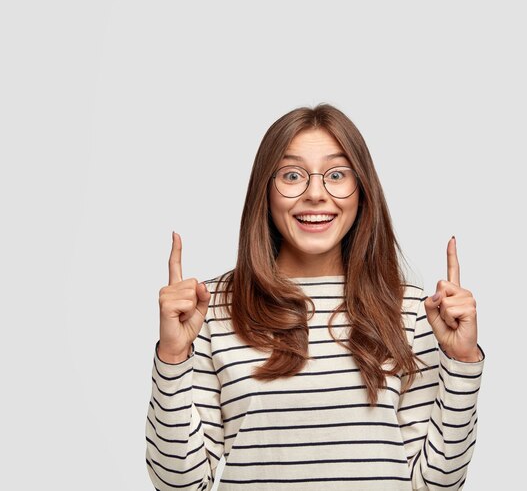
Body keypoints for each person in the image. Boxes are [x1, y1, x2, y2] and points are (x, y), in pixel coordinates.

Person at [145, 103, 485, 491]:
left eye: (337, 174)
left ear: (363, 190)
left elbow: (436, 485)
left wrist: (462, 362)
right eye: (292, 175)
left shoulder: (411, 311)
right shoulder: (214, 307)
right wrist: (172, 357)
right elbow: (179, 485)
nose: (316, 194)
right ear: (265, 190)